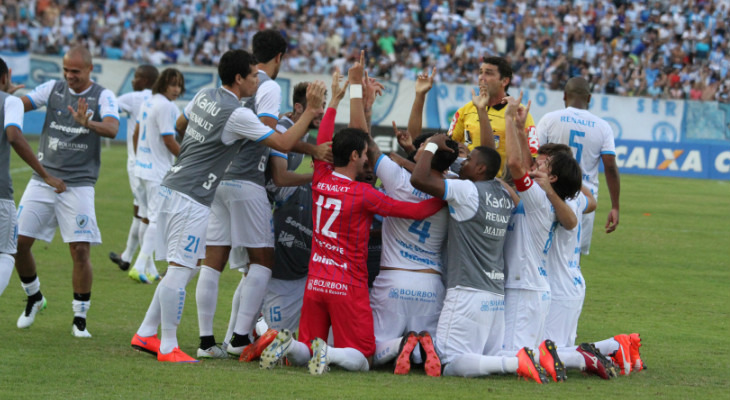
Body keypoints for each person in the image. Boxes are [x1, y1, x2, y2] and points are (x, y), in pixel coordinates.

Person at [130, 49, 326, 362]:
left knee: (188, 266)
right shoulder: (238, 114)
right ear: (239, 78)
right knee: (181, 270)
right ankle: (168, 347)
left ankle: (145, 333)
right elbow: (283, 144)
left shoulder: (205, 96)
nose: (256, 82)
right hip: (190, 195)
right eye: (252, 77)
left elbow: (181, 125)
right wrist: (311, 110)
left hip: (177, 184)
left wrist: (201, 152)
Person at [259, 61, 445, 375]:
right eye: (363, 154)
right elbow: (412, 210)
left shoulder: (320, 177)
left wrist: (334, 100)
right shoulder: (364, 194)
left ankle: (286, 343)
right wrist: (444, 195)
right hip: (348, 285)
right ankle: (328, 353)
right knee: (363, 358)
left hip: (316, 281)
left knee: (306, 348)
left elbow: (324, 144)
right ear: (357, 156)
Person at [408, 129, 547, 382]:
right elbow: (499, 181)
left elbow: (419, 179)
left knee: (449, 361)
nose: (464, 162)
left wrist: (430, 147)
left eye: (469, 160)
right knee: (484, 359)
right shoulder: (504, 194)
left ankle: (516, 362)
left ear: (481, 169)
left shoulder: (467, 192)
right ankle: (516, 361)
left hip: (467, 292)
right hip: (495, 297)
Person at [14, 46, 119, 338]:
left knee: (80, 250)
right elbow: (22, 104)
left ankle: (79, 318)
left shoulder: (103, 96)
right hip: (43, 179)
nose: (69, 76)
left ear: (89, 70)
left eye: (75, 71)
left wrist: (90, 123)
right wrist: (7, 97)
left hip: (79, 184)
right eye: (66, 70)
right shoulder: (53, 89)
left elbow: (111, 128)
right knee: (18, 243)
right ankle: (34, 296)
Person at [500, 93, 584, 381]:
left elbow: (515, 164)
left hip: (526, 288)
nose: (536, 166)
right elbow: (524, 163)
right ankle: (583, 354)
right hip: (531, 286)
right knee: (520, 354)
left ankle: (591, 354)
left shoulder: (539, 198)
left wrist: (510, 120)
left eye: (543, 166)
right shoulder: (546, 197)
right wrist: (522, 133)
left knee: (513, 359)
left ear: (554, 178)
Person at [0, 57, 65, 297]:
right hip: (1, 194)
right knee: (7, 253)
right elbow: (14, 136)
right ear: (6, 77)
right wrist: (45, 174)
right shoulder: (11, 102)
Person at [536, 77, 620, 255]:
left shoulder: (549, 119)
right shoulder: (603, 127)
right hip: (584, 200)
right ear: (589, 98)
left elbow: (535, 156)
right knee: (573, 260)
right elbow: (610, 168)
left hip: (550, 194)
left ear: (564, 95)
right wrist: (615, 206)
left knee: (543, 251)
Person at [127, 68, 185, 283]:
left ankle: (149, 269)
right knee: (155, 219)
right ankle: (140, 264)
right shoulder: (167, 106)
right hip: (157, 172)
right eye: (173, 84)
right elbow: (169, 141)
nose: (177, 89)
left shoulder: (149, 101)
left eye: (179, 85)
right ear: (163, 84)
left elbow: (135, 134)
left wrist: (138, 157)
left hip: (141, 169)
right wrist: (188, 159)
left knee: (145, 216)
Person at [447, 56, 537, 177]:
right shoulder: (465, 111)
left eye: (488, 73)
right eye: (480, 73)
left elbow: (531, 161)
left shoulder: (519, 113)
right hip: (467, 183)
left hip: (503, 187)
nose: (481, 78)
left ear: (504, 81)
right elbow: (448, 147)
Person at [109, 65, 159, 272]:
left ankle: (147, 264)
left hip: (137, 164)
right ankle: (128, 256)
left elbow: (110, 105)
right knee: (140, 210)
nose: (133, 80)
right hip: (154, 163)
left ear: (146, 81)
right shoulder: (160, 100)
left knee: (145, 213)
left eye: (137, 77)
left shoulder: (134, 98)